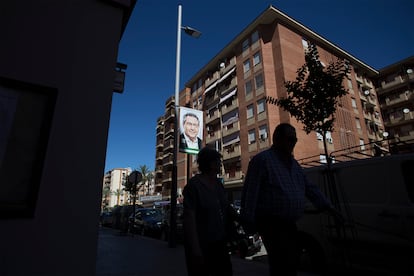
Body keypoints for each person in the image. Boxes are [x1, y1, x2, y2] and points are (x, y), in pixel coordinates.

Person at [240, 123, 343, 276]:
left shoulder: (294, 165)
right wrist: (248, 223)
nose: (293, 142)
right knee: (282, 264)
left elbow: (309, 188)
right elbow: (250, 193)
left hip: (290, 224)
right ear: (277, 139)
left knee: (291, 262)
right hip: (271, 224)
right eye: (289, 139)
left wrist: (329, 207)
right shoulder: (262, 160)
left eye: (294, 139)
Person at [183, 147, 233, 276]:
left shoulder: (218, 184)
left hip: (220, 244)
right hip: (202, 245)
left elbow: (226, 208)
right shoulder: (194, 186)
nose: (220, 165)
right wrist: (195, 249)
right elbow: (190, 218)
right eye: (218, 162)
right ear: (210, 164)